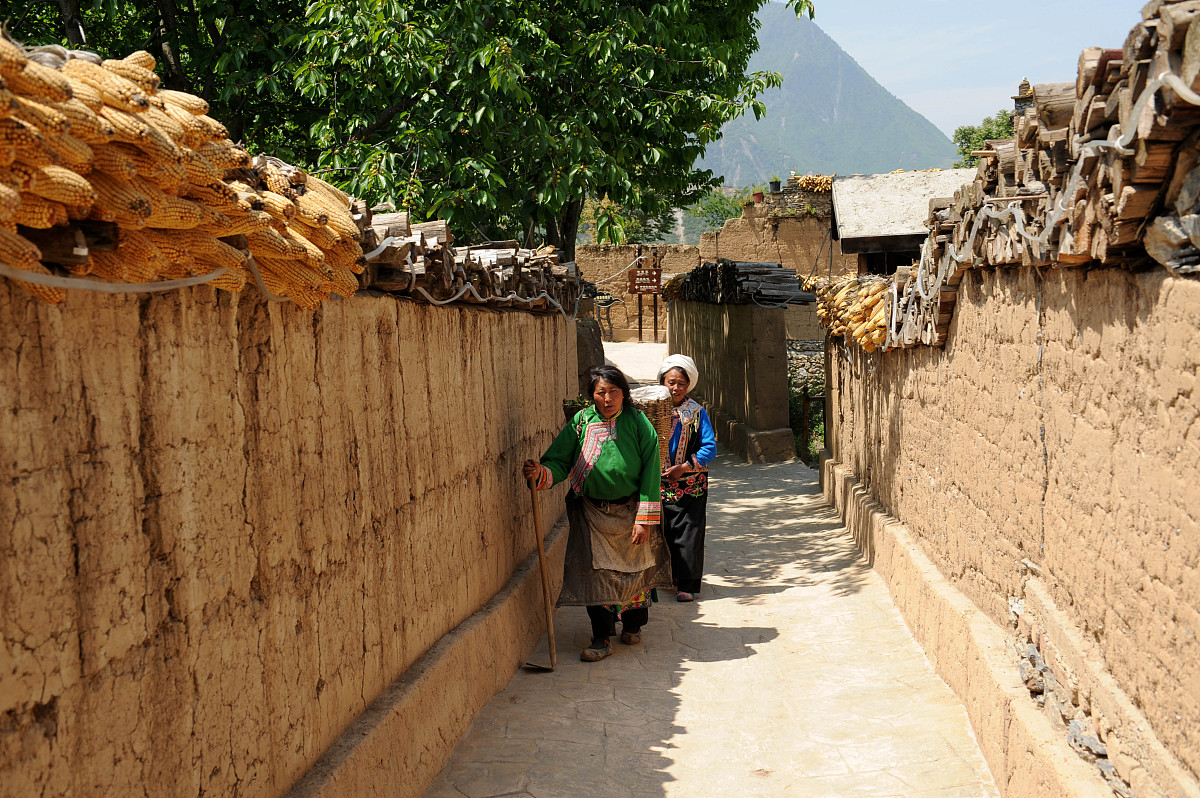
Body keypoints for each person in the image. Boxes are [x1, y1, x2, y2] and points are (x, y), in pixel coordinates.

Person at [523, 365, 674, 662]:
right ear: (592, 395)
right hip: (592, 512)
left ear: (623, 394)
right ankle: (601, 637)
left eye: (613, 392)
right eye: (601, 392)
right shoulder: (580, 423)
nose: (607, 398)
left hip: (631, 512)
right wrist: (542, 472)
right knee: (598, 578)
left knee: (633, 572)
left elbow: (651, 473)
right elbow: (559, 461)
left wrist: (645, 520)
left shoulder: (638, 423)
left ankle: (632, 625)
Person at [657, 355, 717, 602]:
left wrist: (683, 467)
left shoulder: (697, 413)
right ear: (662, 382)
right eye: (671, 382)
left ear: (689, 385)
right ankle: (672, 575)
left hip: (691, 485)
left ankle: (688, 584)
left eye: (681, 383)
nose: (676, 388)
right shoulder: (651, 410)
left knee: (690, 532)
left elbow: (709, 447)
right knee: (666, 531)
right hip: (661, 484)